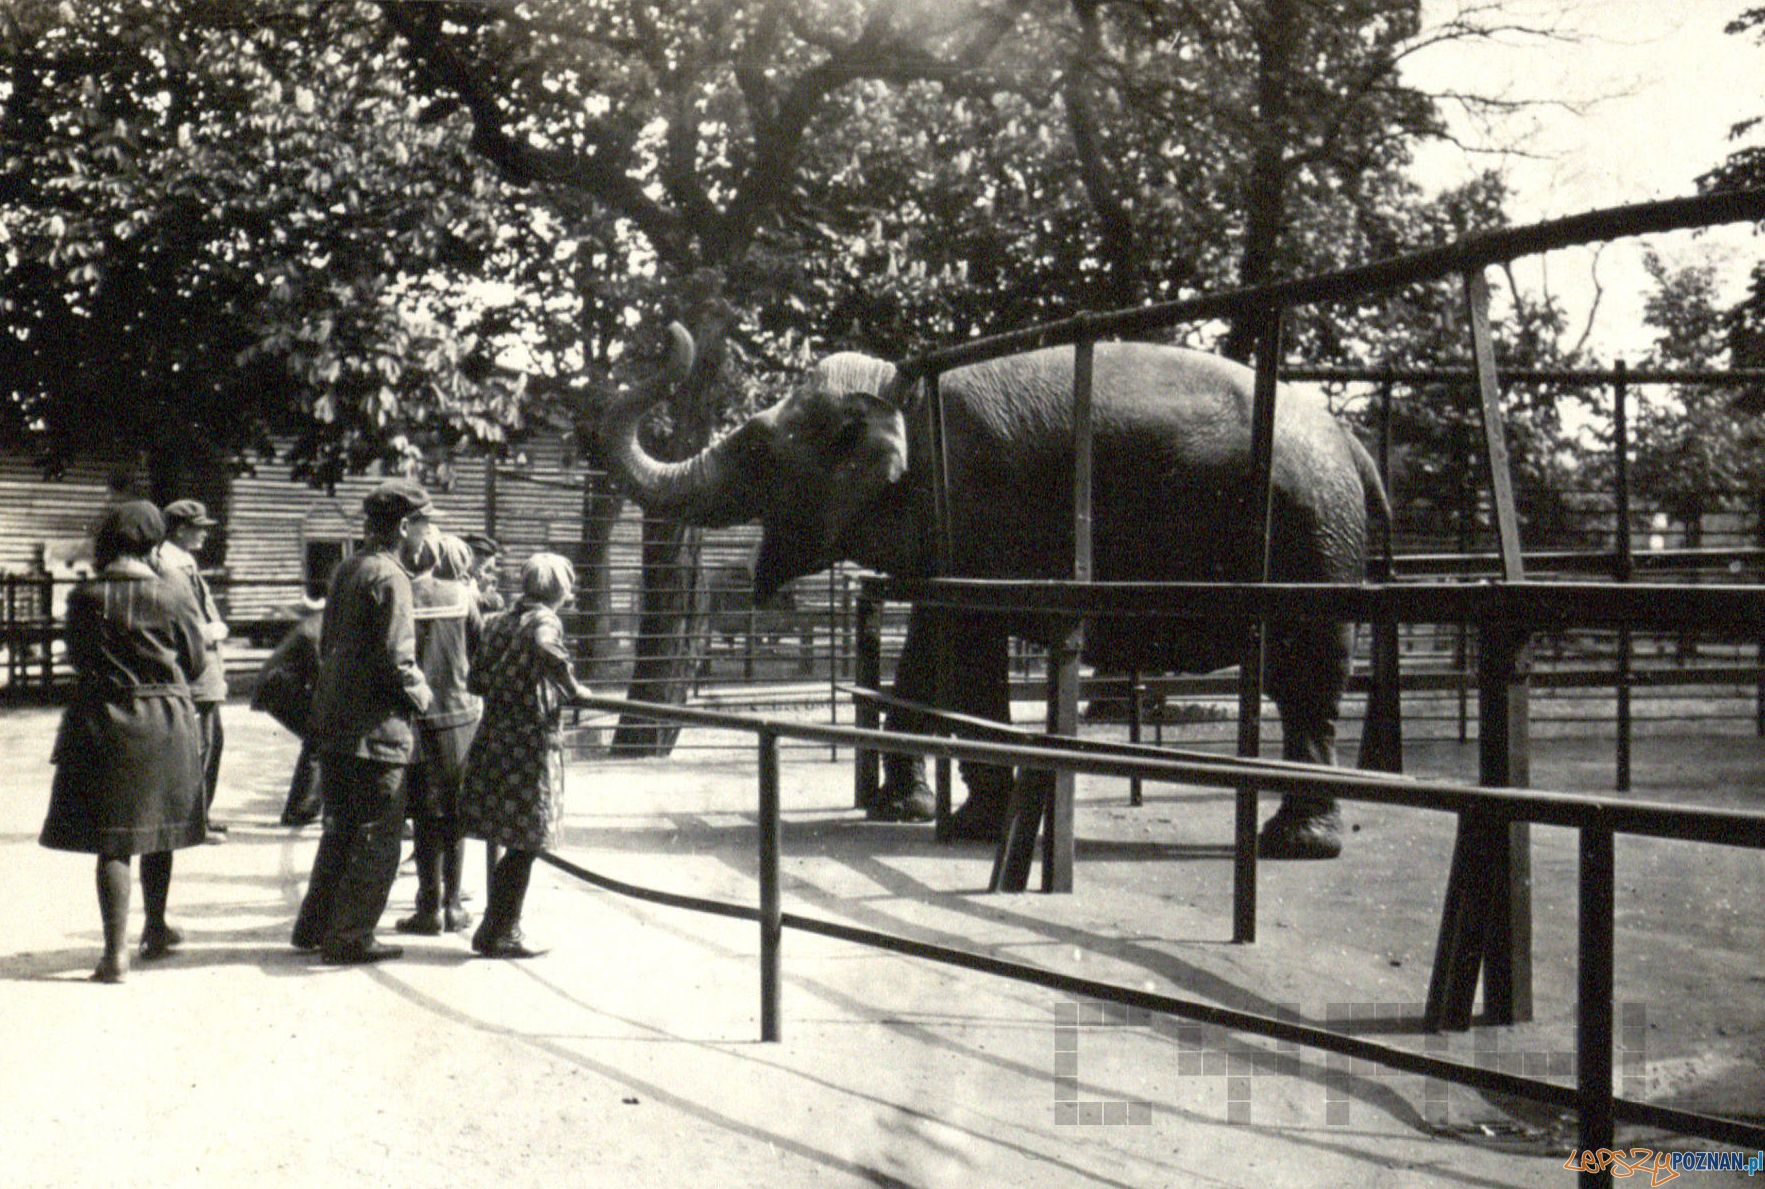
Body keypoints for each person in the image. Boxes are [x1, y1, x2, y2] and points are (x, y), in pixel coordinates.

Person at [40, 501, 208, 983]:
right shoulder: (175, 593)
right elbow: (194, 662)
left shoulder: (86, 597)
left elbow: (76, 657)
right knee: (159, 828)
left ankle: (115, 954)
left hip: (104, 720)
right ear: (154, 543)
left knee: (113, 841)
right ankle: (154, 926)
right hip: (164, 722)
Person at [290, 479, 435, 965]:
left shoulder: (348, 568)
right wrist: (424, 697)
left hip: (338, 724)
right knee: (377, 836)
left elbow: (328, 643)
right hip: (377, 729)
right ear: (402, 526)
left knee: (341, 829)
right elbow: (399, 660)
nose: (424, 535)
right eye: (422, 525)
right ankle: (351, 935)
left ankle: (314, 925)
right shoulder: (392, 578)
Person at [459, 551, 592, 959]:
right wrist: (573, 688)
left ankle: (497, 926)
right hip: (530, 743)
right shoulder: (544, 621)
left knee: (514, 835)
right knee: (529, 837)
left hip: (496, 736)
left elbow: (477, 679)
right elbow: (546, 647)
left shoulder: (499, 622)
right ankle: (500, 930)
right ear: (561, 590)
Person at [396, 534, 482, 936]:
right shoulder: (464, 596)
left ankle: (427, 906)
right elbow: (480, 653)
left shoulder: (401, 593)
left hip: (416, 718)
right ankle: (452, 904)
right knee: (456, 813)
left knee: (425, 814)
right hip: (461, 715)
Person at [155, 499, 230, 841]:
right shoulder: (169, 566)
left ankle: (200, 815)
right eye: (199, 528)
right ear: (181, 530)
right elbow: (178, 619)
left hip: (205, 671)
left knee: (211, 742)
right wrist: (209, 631)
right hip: (193, 669)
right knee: (199, 745)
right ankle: (192, 822)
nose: (204, 534)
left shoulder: (185, 562)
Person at [250, 598, 325, 827]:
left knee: (320, 740)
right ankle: (299, 811)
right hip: (279, 688)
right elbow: (322, 676)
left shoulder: (319, 623)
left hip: (278, 686)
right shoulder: (319, 630)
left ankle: (305, 808)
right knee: (320, 739)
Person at [463, 532, 505, 612]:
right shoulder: (457, 576)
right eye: (477, 553)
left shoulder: (475, 580)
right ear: (465, 553)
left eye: (487, 554)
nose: (483, 559)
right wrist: (488, 599)